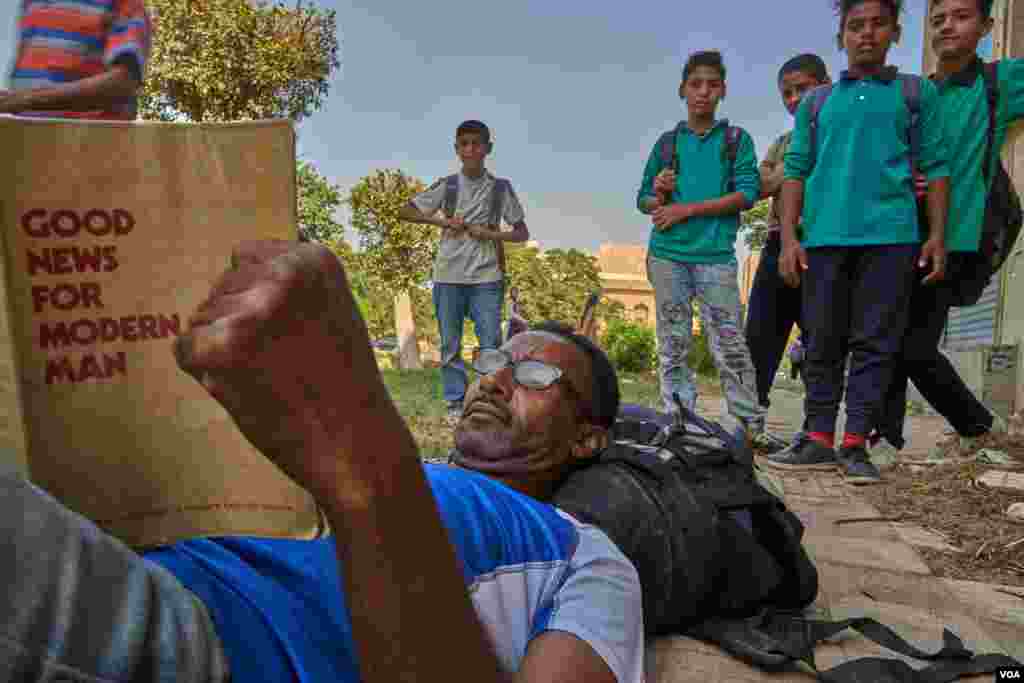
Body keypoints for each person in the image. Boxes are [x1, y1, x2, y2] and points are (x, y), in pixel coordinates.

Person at [1, 241, 644, 683]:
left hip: (199, 645)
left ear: (587, 439)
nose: (496, 381)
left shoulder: (589, 559)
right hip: (116, 558)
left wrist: (365, 459)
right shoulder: (419, 468)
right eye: (493, 362)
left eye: (531, 373)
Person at [771, 0, 951, 485]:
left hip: (892, 238)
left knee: (876, 343)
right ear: (842, 37)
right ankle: (818, 439)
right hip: (825, 240)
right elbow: (796, 172)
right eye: (856, 26)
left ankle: (856, 445)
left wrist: (936, 235)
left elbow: (936, 167)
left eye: (877, 25)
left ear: (894, 31)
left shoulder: (916, 93)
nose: (866, 34)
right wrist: (790, 239)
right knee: (821, 340)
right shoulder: (818, 101)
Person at [872, 0, 1018, 460]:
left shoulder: (1001, 81)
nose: (947, 26)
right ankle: (886, 439)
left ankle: (975, 427)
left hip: (959, 237)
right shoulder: (916, 93)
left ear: (987, 27)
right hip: (904, 234)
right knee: (891, 337)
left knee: (913, 345)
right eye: (938, 20)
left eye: (961, 16)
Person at [636, 50, 765, 441]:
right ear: (682, 90)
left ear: (722, 90)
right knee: (673, 343)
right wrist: (658, 194)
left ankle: (747, 423)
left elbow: (747, 193)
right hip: (668, 256)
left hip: (715, 259)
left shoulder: (736, 140)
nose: (703, 92)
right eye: (696, 84)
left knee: (730, 344)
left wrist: (687, 209)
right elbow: (643, 200)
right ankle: (679, 418)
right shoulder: (667, 143)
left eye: (712, 84)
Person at [399, 120, 531, 423]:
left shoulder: (501, 188)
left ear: (488, 148)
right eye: (464, 144)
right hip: (448, 276)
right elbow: (406, 211)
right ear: (456, 149)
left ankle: (490, 401)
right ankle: (455, 404)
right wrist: (443, 222)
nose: (470, 149)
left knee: (490, 344)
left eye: (476, 143)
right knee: (450, 345)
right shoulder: (448, 186)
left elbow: (521, 233)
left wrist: (491, 235)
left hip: (487, 277)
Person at [745, 54, 831, 412]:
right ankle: (750, 418)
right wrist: (795, 167)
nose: (794, 99)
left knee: (820, 338)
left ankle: (816, 429)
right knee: (760, 335)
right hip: (779, 241)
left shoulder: (840, 132)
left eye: (803, 89)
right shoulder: (784, 141)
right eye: (787, 93)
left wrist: (780, 175)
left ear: (825, 84)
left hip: (823, 242)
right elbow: (758, 185)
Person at [1, 0, 151, 119]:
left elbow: (123, 83)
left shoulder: (125, 4)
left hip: (91, 147)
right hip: (27, 142)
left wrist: (25, 99)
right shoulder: (32, 4)